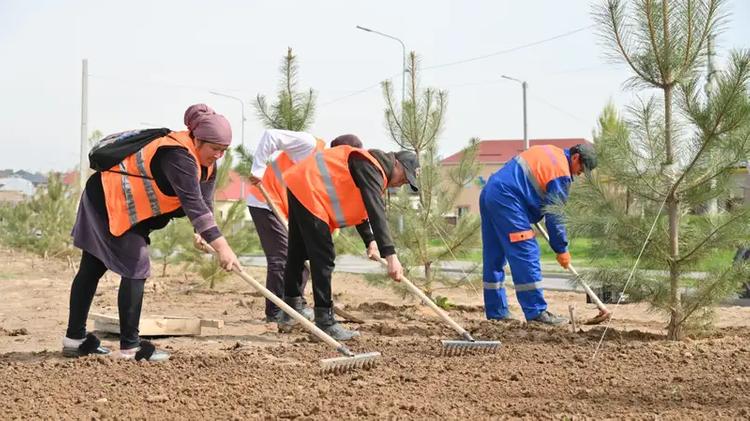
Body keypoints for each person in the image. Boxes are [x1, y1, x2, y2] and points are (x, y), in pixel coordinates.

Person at [62, 104, 241, 361]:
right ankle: (130, 347)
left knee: (94, 267)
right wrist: (223, 248)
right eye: (214, 149)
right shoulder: (178, 155)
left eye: (223, 151)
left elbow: (204, 205)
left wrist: (202, 233)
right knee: (134, 266)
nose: (218, 156)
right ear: (197, 140)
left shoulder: (207, 164)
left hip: (128, 209)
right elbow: (193, 204)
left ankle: (75, 339)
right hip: (108, 201)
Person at [279, 145, 419, 340]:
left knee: (298, 250)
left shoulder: (371, 169)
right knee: (324, 257)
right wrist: (391, 255)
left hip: (301, 183)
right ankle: (325, 322)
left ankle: (290, 311)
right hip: (310, 188)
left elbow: (361, 206)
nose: (401, 184)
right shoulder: (371, 167)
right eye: (404, 177)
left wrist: (370, 241)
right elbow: (375, 210)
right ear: (396, 163)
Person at [245, 129, 363, 323]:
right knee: (282, 258)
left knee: (303, 256)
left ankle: (294, 306)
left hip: (288, 210)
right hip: (266, 200)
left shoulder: (333, 172)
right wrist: (258, 169)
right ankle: (276, 312)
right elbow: (270, 136)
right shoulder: (309, 145)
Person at [479, 143, 597, 325]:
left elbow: (529, 183)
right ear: (575, 158)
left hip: (491, 191)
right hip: (508, 198)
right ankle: (536, 312)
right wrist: (561, 249)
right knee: (526, 251)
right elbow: (555, 215)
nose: (579, 174)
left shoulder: (551, 152)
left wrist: (531, 208)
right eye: (581, 169)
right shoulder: (561, 173)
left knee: (494, 256)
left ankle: (496, 312)